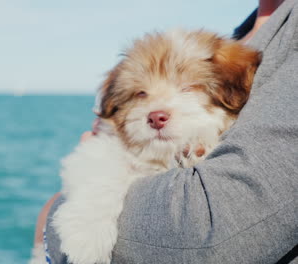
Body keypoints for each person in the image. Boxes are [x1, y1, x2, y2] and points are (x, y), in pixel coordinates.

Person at [33, 0, 298, 263]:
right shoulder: (243, 34)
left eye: (188, 88)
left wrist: (52, 219)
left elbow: (209, 233)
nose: (157, 112)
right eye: (141, 93)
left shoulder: (243, 55)